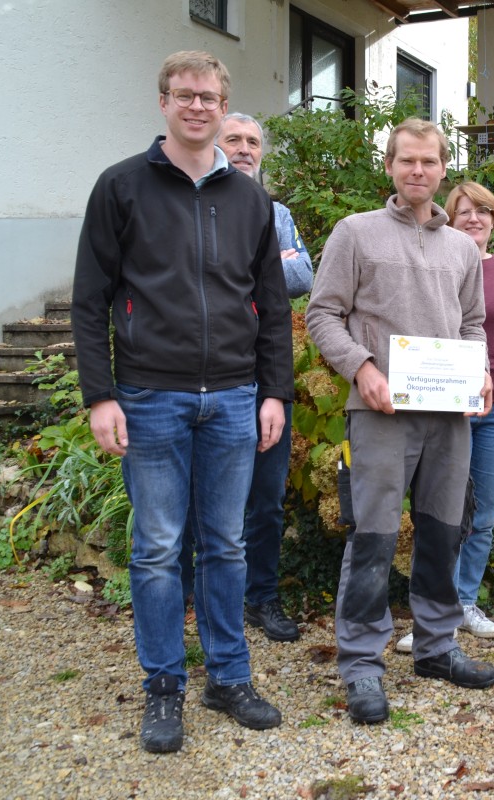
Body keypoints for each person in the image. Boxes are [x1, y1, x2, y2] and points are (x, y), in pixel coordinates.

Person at [71, 51, 291, 753]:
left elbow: (274, 308)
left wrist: (273, 391)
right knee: (160, 548)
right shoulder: (122, 187)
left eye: (210, 97)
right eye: (185, 95)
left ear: (224, 107)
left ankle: (229, 677)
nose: (198, 106)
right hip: (151, 396)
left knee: (226, 545)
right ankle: (163, 687)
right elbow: (88, 301)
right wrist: (100, 396)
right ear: (163, 101)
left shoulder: (252, 200)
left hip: (232, 397)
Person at [306, 118, 494, 726]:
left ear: (444, 169)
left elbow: (472, 325)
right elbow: (322, 314)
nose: (418, 171)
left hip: (447, 415)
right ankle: (362, 661)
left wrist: (481, 372)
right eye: (406, 161)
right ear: (389, 165)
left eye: (430, 162)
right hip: (381, 411)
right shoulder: (355, 234)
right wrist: (361, 369)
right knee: (374, 535)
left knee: (444, 530)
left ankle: (437, 648)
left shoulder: (463, 249)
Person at [178, 112, 313, 642]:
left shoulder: (275, 212)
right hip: (199, 379)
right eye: (233, 138)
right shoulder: (190, 204)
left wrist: (249, 273)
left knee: (265, 500)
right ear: (215, 141)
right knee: (196, 498)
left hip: (265, 379)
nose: (244, 148)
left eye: (253, 141)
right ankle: (191, 597)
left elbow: (302, 276)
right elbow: (195, 281)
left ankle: (262, 598)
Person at [395, 182, 494, 654]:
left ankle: (464, 603)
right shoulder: (437, 263)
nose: (473, 218)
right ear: (447, 217)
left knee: (484, 515)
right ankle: (432, 614)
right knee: (439, 514)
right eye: (463, 210)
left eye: (482, 211)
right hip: (448, 404)